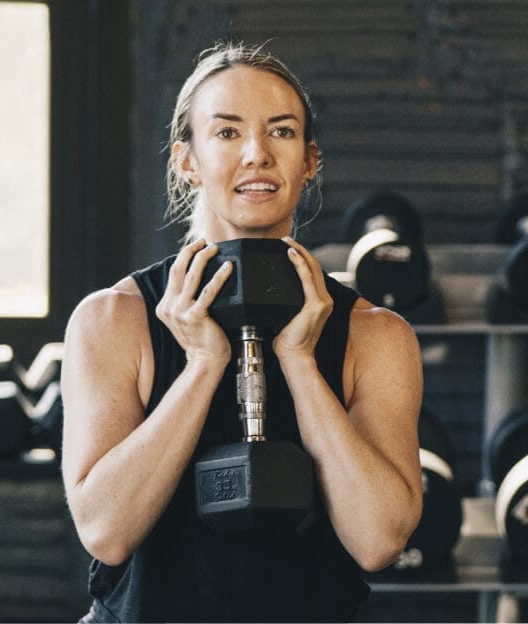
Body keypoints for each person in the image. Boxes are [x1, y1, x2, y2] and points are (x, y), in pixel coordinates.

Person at [60, 42, 424, 622]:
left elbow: (378, 541)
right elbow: (106, 532)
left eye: (281, 132)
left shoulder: (375, 335)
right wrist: (202, 365)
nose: (256, 154)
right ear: (187, 160)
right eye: (227, 133)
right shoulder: (113, 320)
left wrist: (301, 361)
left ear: (309, 160)